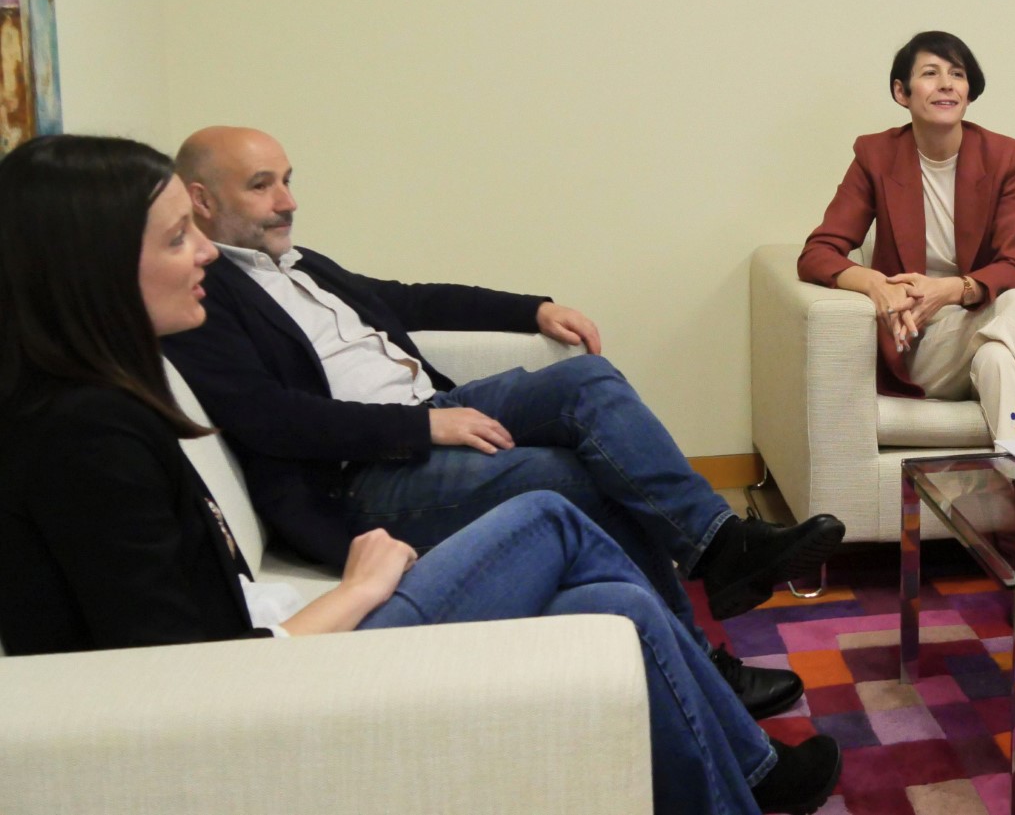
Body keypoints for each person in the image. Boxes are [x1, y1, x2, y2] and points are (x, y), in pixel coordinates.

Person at [0, 135, 842, 815]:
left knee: (614, 602)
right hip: (280, 676)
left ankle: (752, 764)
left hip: (277, 639)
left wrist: (529, 308)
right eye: (178, 236)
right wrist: (356, 589)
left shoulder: (105, 396)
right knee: (555, 505)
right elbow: (192, 681)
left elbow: (405, 294)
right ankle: (722, 598)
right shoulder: (84, 438)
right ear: (95, 266)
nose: (203, 257)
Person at [161, 125, 839, 719]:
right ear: (201, 198)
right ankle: (699, 664)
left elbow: (406, 297)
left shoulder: (298, 263)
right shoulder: (199, 296)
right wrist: (425, 430)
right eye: (262, 185)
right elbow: (273, 420)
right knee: (571, 475)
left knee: (588, 381)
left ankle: (720, 547)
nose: (288, 200)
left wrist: (532, 308)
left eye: (287, 180)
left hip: (426, 415)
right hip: (363, 476)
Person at [797, 31, 1015, 442]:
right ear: (901, 92)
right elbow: (818, 253)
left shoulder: (1004, 157)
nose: (946, 84)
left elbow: (1013, 266)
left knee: (999, 356)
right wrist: (876, 285)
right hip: (919, 344)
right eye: (930, 73)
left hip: (989, 324)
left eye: (957, 74)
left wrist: (949, 289)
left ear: (968, 92)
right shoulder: (876, 156)